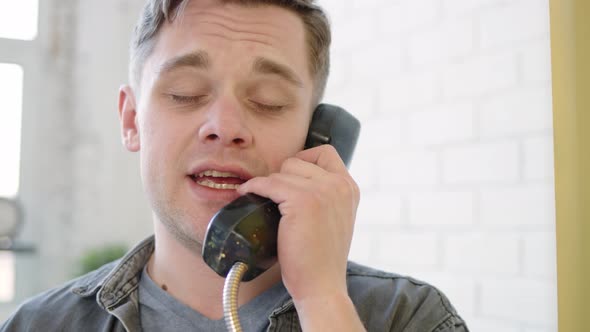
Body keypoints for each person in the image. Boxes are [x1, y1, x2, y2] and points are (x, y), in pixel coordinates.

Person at [1, 0, 468, 331]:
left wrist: (323, 305)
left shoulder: (411, 318)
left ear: (316, 135)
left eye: (268, 101)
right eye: (185, 93)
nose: (225, 126)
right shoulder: (37, 325)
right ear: (131, 121)